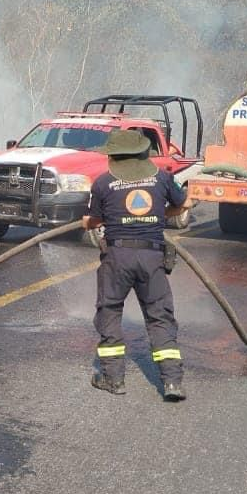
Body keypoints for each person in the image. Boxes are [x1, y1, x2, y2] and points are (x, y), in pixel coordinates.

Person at [82, 129, 193, 402]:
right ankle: (172, 383)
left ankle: (113, 379)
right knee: (159, 316)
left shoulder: (103, 183)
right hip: (152, 258)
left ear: (114, 157)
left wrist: (88, 223)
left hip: (117, 258)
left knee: (109, 312)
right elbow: (185, 204)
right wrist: (159, 213)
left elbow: (95, 220)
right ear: (143, 154)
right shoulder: (163, 179)